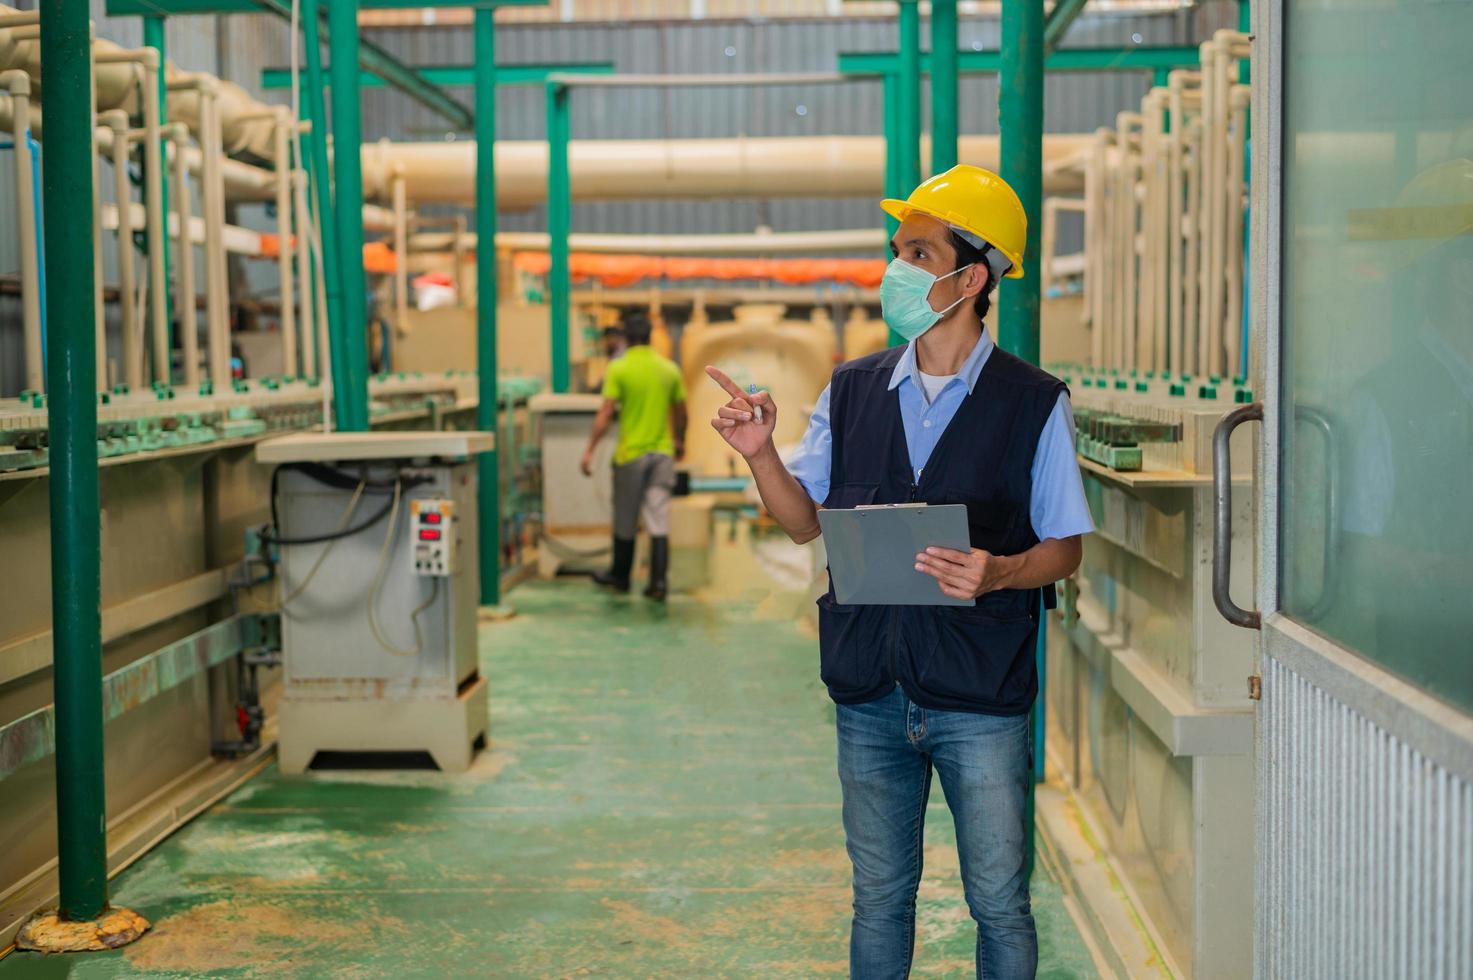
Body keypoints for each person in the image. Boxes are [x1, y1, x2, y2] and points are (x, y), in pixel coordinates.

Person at [706, 164, 1093, 979]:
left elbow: (1065, 548)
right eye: (895, 250)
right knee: (878, 897)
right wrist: (759, 456)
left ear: (971, 276)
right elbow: (802, 519)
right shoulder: (851, 391)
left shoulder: (1033, 402)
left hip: (979, 698)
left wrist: (998, 572)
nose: (895, 269)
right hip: (869, 690)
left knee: (997, 902)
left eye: (918, 252)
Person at [581, 312, 688, 601]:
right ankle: (658, 583)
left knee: (625, 517)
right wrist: (680, 440)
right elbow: (681, 410)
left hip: (631, 454)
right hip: (662, 453)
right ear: (651, 337)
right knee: (658, 517)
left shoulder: (619, 368)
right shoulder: (669, 369)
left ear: (626, 337)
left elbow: (606, 412)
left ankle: (621, 576)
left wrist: (590, 448)